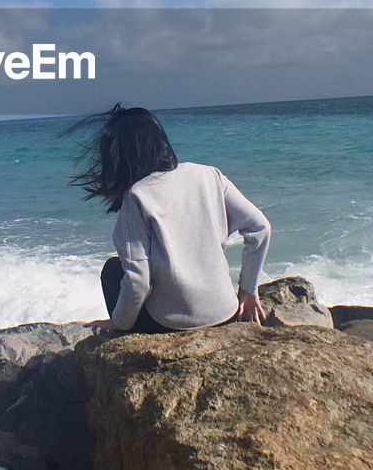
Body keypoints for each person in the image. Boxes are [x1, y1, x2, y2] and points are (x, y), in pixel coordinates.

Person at [65, 104, 271, 332]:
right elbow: (260, 227)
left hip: (174, 324)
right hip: (227, 313)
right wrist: (248, 289)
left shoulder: (137, 196)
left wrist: (117, 323)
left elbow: (138, 282)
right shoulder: (209, 174)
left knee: (113, 271)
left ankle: (124, 340)